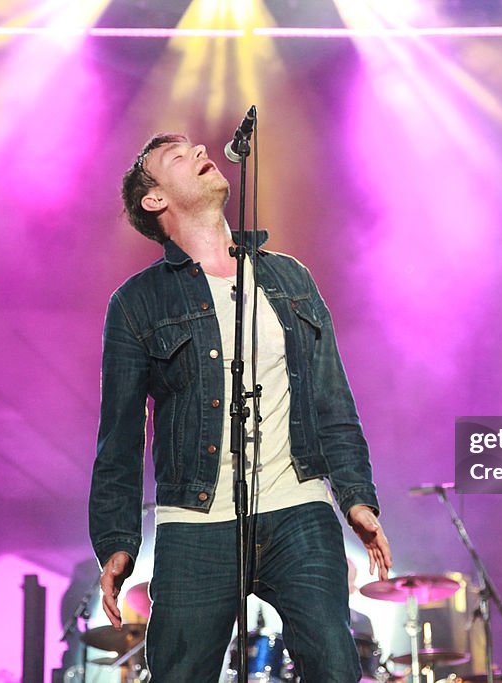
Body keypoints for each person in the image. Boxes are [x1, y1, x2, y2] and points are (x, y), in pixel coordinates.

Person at [88, 132, 392, 682]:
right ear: (155, 200)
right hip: (195, 519)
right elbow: (120, 435)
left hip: (296, 502)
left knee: (335, 664)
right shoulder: (137, 302)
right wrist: (116, 541)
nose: (201, 153)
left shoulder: (289, 278)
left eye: (196, 149)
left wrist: (356, 497)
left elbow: (332, 399)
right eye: (178, 158)